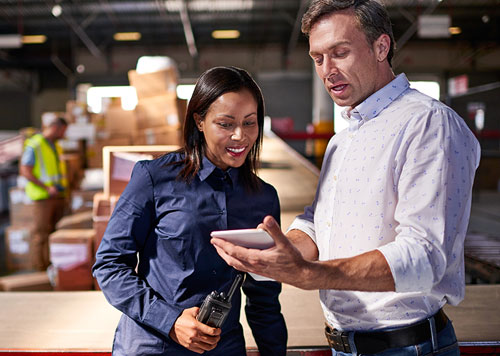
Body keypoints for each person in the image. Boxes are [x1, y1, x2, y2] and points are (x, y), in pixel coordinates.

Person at [211, 1, 481, 355]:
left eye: (340, 53)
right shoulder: (345, 138)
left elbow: (425, 256)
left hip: (405, 346)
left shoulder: (427, 124)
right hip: (346, 346)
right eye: (318, 58)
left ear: (381, 47)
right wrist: (279, 252)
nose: (327, 70)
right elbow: (321, 222)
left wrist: (311, 273)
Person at [92, 66, 287, 356]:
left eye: (250, 123)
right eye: (225, 123)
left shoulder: (262, 198)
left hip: (223, 348)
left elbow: (264, 296)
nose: (240, 136)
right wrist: (169, 321)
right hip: (152, 346)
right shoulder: (154, 178)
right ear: (199, 121)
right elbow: (109, 265)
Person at [20, 116, 68, 271]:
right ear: (55, 127)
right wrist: (46, 188)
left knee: (55, 232)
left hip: (58, 195)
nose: (64, 135)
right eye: (63, 131)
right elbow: (25, 171)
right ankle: (40, 268)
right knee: (41, 233)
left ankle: (52, 267)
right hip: (43, 197)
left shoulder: (55, 146)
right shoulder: (35, 145)